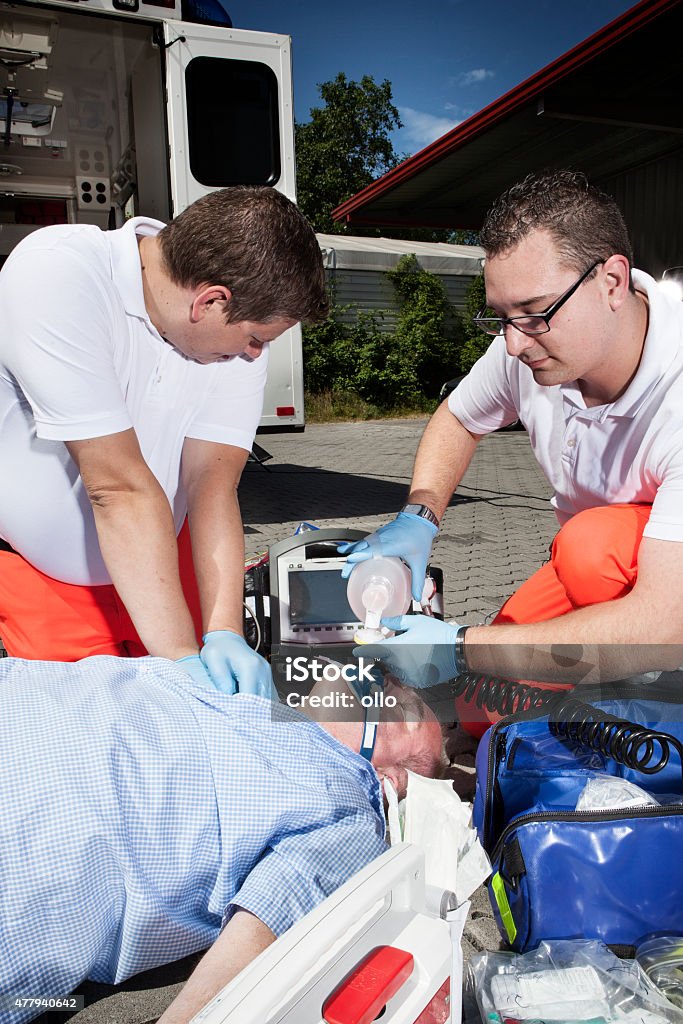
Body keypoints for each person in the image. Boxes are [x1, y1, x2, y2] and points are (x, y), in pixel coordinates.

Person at [341, 169, 683, 731]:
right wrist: (418, 518)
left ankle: (640, 694)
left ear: (613, 282)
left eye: (534, 312)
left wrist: (460, 645)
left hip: (655, 595)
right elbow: (457, 418)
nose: (514, 343)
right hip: (589, 573)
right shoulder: (529, 344)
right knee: (477, 712)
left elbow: (662, 623)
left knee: (592, 549)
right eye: (500, 317)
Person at [0, 187, 328, 697]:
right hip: (48, 580)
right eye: (257, 338)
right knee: (105, 740)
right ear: (211, 301)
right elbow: (117, 487)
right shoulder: (57, 273)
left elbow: (211, 485)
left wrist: (224, 628)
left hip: (160, 558)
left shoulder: (232, 339)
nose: (255, 354)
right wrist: (180, 658)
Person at [0, 654, 444, 1024]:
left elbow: (245, 965)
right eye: (388, 680)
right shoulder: (222, 689)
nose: (380, 682)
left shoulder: (345, 809)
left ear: (392, 781)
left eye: (402, 711)